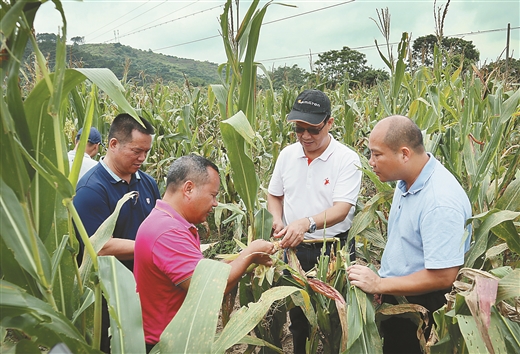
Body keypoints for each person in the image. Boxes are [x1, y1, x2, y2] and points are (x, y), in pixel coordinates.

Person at [346, 115, 472, 354]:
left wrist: (380, 283)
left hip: (423, 310)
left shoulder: (439, 202)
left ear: (404, 154)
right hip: (400, 295)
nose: (371, 162)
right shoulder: (407, 181)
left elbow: (444, 276)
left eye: (377, 154)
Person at [134, 154, 275, 352]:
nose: (216, 203)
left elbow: (206, 275)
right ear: (189, 189)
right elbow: (209, 288)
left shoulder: (167, 222)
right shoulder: (167, 232)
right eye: (213, 195)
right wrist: (250, 254)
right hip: (168, 345)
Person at [267, 89, 362, 353]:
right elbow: (274, 196)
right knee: (299, 318)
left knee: (337, 317)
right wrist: (277, 219)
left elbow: (342, 209)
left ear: (329, 123)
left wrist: (305, 223)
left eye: (313, 129)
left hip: (333, 250)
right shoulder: (287, 155)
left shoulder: (346, 159)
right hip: (295, 251)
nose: (305, 136)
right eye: (299, 129)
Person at [74, 113, 161, 353]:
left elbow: (159, 224)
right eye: (136, 151)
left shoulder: (147, 182)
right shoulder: (91, 189)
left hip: (145, 290)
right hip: (109, 298)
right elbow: (99, 246)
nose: (142, 158)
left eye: (146, 151)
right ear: (113, 144)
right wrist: (151, 246)